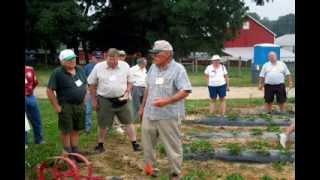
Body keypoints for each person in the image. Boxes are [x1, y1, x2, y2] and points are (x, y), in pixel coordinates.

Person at [139, 40, 192, 179]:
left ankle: (175, 173)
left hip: (168, 115)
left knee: (172, 146)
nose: (153, 56)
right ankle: (151, 170)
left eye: (157, 53)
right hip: (150, 114)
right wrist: (142, 107)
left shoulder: (178, 69)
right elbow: (148, 88)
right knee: (147, 145)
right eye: (153, 53)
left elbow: (186, 90)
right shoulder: (153, 68)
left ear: (168, 54)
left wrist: (167, 101)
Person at [87, 48, 142, 153]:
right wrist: (94, 100)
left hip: (123, 99)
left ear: (118, 58)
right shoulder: (99, 67)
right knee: (103, 124)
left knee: (128, 122)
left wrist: (127, 92)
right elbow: (92, 84)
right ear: (105, 57)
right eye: (110, 60)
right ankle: (100, 144)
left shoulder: (125, 66)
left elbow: (130, 81)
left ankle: (135, 143)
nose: (112, 62)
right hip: (104, 100)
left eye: (115, 60)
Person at [47, 49, 87, 157]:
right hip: (66, 106)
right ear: (62, 61)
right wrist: (56, 107)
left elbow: (85, 85)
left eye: (73, 58)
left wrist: (83, 101)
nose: (73, 60)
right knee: (66, 130)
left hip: (79, 106)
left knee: (76, 129)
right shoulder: (57, 72)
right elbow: (50, 90)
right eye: (69, 59)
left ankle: (75, 152)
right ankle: (67, 153)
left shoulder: (80, 69)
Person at [25, 65, 44, 144]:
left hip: (30, 96)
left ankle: (39, 139)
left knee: (36, 118)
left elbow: (35, 83)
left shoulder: (30, 69)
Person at [83, 52, 101, 133]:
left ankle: (101, 128)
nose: (98, 59)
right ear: (92, 58)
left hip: (101, 92)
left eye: (99, 58)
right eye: (96, 57)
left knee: (101, 111)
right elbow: (83, 80)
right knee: (88, 110)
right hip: (89, 91)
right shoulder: (87, 67)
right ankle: (87, 128)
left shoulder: (103, 66)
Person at [130, 57, 148, 121]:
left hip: (145, 88)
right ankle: (135, 119)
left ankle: (142, 119)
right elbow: (129, 79)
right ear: (140, 63)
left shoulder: (145, 69)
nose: (146, 64)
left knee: (144, 104)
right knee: (136, 104)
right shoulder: (132, 69)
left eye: (146, 63)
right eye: (145, 63)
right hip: (136, 87)